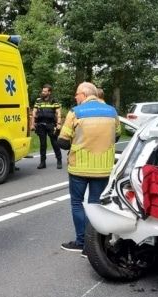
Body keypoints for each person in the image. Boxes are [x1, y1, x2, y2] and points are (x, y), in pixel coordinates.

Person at [57, 82, 119, 256]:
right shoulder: (111, 111)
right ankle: (94, 246)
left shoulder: (75, 112)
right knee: (95, 204)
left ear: (84, 94)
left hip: (80, 167)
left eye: (76, 94)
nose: (75, 97)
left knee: (77, 203)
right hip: (103, 167)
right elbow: (118, 134)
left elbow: (62, 142)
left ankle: (82, 242)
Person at [31, 84, 62, 169]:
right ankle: (42, 162)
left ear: (49, 92)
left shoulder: (54, 101)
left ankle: (59, 160)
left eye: (45, 91)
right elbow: (34, 112)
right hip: (41, 124)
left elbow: (58, 112)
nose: (43, 92)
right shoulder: (38, 100)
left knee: (54, 143)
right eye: (42, 91)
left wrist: (59, 124)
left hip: (51, 124)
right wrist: (32, 124)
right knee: (42, 144)